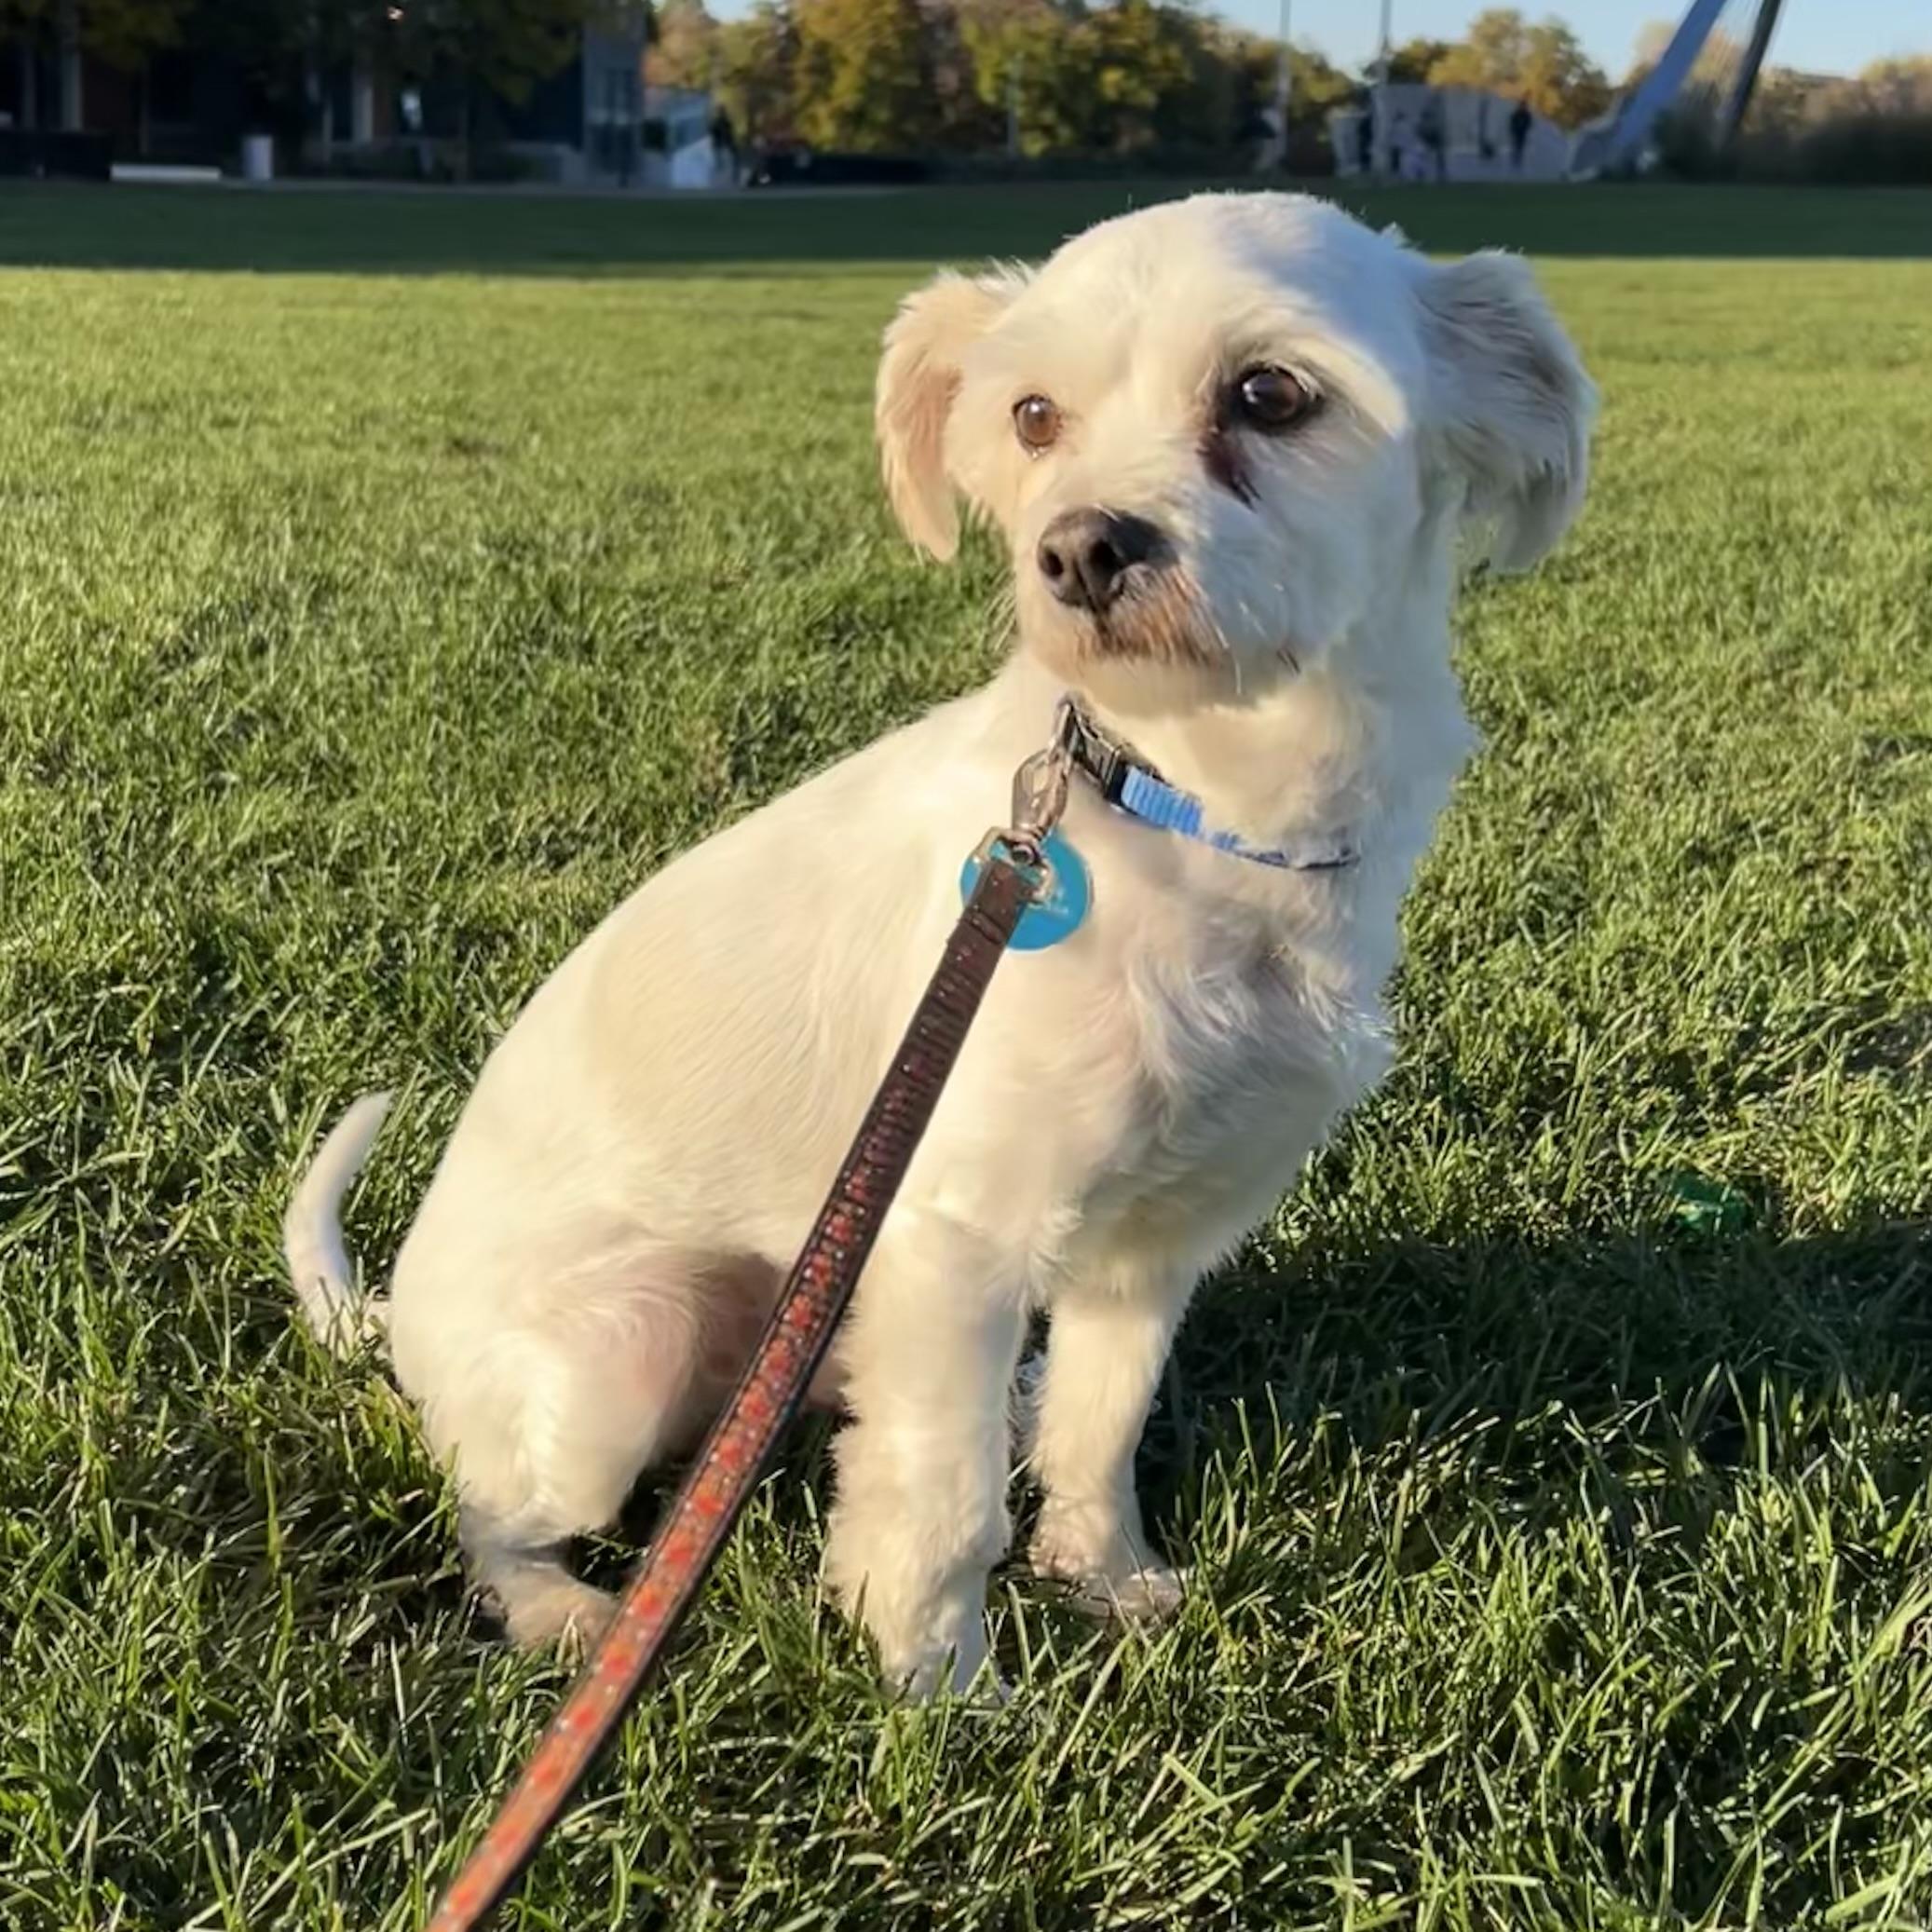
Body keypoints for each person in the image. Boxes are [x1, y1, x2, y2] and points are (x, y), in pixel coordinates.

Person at [1419, 89, 1447, 184]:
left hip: (1434, 134)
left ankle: (1440, 175)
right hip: (1432, 133)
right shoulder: (1432, 108)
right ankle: (1432, 174)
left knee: (1437, 156)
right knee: (1432, 155)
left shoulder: (1436, 108)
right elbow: (1425, 119)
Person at [1510, 97, 1532, 171]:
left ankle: (1518, 158)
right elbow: (1512, 121)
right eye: (1522, 105)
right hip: (1516, 131)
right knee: (1515, 145)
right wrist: (1513, 129)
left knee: (1520, 146)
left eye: (1524, 106)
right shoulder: (1517, 113)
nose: (1523, 107)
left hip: (1522, 132)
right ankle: (1514, 158)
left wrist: (1525, 127)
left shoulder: (1527, 115)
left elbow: (1529, 123)